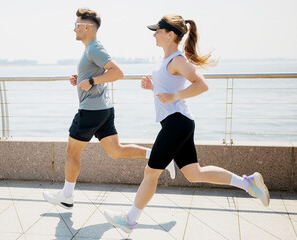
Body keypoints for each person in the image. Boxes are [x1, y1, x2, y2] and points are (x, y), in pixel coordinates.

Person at [104, 14, 270, 234]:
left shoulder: (178, 60)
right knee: (194, 174)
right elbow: (169, 90)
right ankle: (248, 183)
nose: (154, 34)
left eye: (158, 31)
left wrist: (174, 97)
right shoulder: (167, 60)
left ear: (170, 34)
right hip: (177, 123)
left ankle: (130, 220)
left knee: (150, 172)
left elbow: (201, 85)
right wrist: (153, 88)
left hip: (177, 123)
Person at [43, 8, 176, 210]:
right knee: (116, 151)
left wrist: (90, 80)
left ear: (86, 27)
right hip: (103, 109)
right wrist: (81, 79)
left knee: (72, 152)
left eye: (76, 25)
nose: (73, 29)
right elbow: (98, 74)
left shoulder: (94, 49)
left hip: (91, 111)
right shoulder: (91, 48)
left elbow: (118, 72)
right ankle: (161, 156)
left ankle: (66, 196)